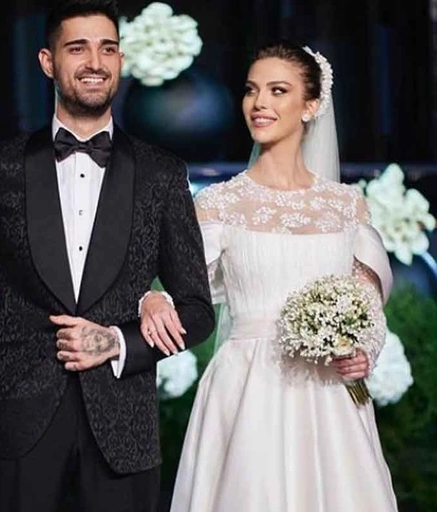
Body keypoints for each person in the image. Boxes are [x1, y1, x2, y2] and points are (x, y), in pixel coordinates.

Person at [0, 1, 215, 510]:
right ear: (48, 61)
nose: (95, 63)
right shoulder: (0, 168)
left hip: (124, 432)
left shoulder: (161, 173)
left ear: (120, 60)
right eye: (78, 48)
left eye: (107, 49)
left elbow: (196, 309)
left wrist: (119, 342)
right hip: (16, 427)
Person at [139, 41, 399, 511]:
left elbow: (367, 308)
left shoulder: (345, 206)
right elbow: (180, 290)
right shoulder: (219, 203)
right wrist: (151, 298)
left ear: (311, 105)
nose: (259, 103)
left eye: (278, 91)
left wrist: (364, 352)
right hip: (246, 391)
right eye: (251, 90)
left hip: (329, 397)